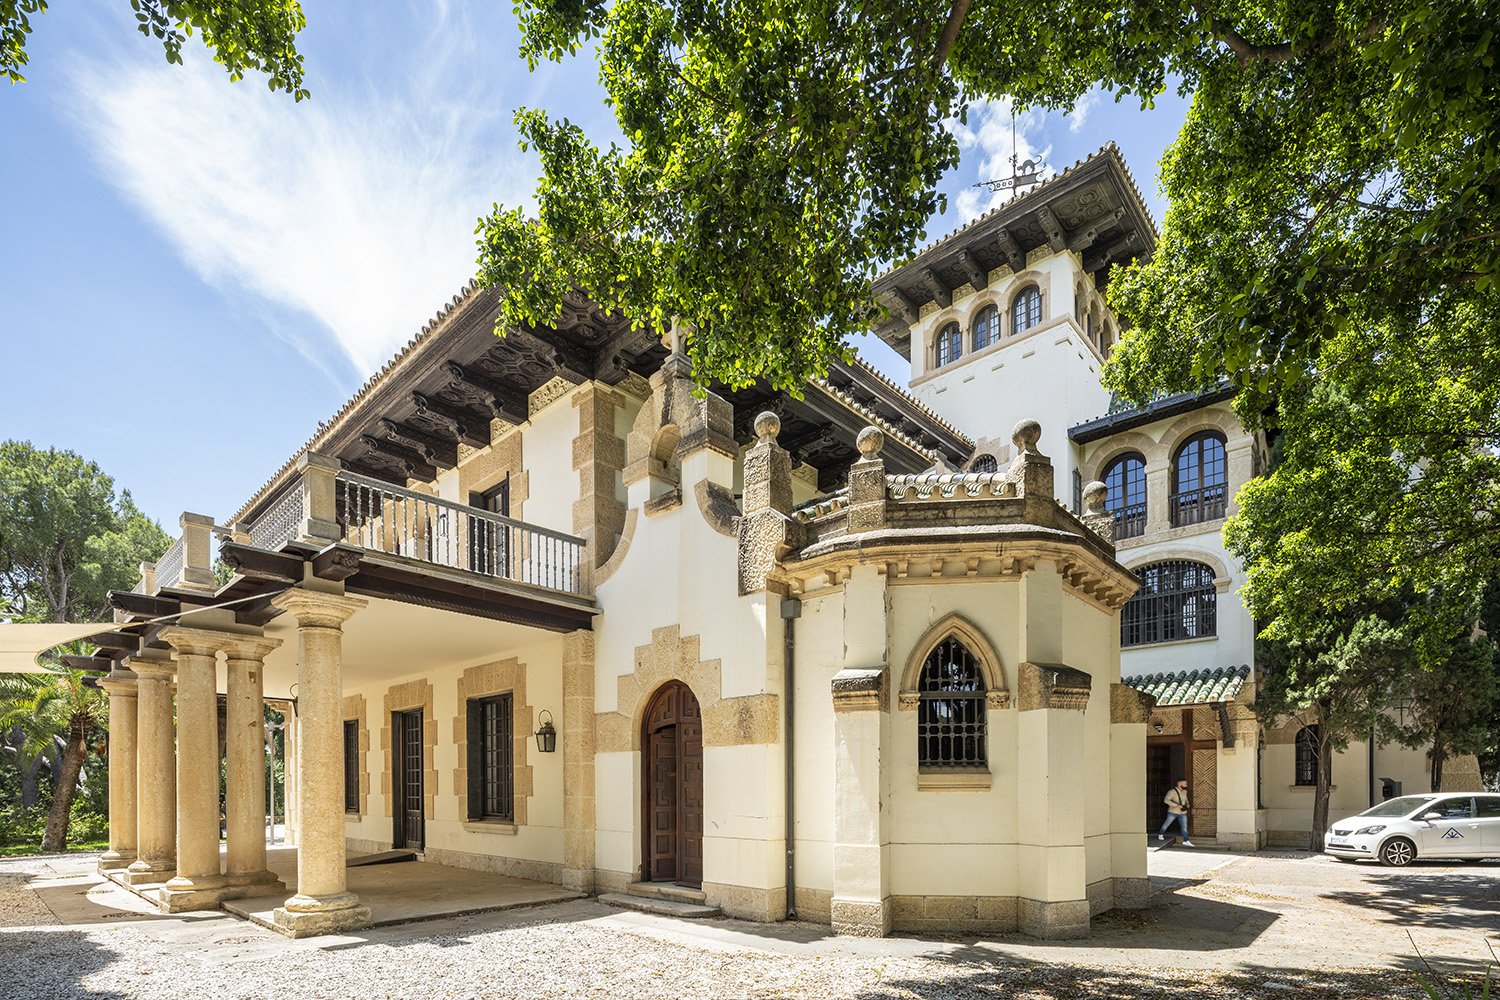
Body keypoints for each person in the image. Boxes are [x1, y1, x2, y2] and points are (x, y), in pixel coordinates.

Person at [1158, 779, 1194, 846]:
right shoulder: (1171, 792)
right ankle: (1161, 834)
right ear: (1179, 784)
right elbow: (1166, 800)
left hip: (1183, 812)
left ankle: (1186, 840)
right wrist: (1176, 805)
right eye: (1184, 783)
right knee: (1167, 823)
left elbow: (1186, 799)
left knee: (1184, 827)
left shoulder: (1184, 791)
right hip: (1173, 812)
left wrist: (1187, 804)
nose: (1186, 785)